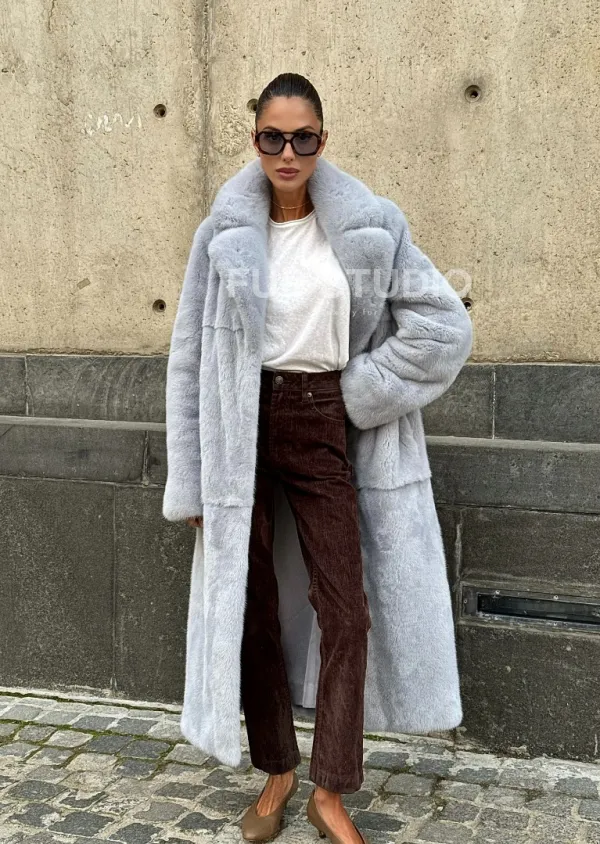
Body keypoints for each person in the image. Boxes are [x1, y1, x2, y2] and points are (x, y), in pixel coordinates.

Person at [163, 72, 473, 844]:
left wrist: (359, 392)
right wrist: (191, 479)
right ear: (255, 141)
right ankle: (277, 770)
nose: (288, 151)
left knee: (347, 612)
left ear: (322, 140)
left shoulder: (369, 227)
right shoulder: (221, 235)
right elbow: (189, 358)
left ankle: (331, 788)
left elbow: (443, 328)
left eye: (303, 137)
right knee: (253, 608)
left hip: (326, 420)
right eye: (273, 136)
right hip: (241, 430)